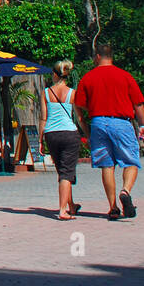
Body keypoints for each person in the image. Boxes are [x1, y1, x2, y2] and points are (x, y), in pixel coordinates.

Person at [72, 45, 144, 221]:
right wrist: (143, 125)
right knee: (130, 161)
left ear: (98, 56)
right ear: (111, 57)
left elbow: (80, 103)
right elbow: (138, 104)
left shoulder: (88, 77)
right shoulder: (125, 76)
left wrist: (95, 108)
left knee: (107, 165)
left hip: (98, 122)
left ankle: (113, 207)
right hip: (121, 122)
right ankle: (125, 191)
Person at [40, 61, 82, 220]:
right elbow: (79, 118)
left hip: (51, 134)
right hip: (69, 133)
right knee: (66, 173)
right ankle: (63, 210)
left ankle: (71, 205)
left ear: (55, 74)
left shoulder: (46, 92)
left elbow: (43, 118)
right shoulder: (73, 93)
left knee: (63, 171)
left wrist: (40, 140)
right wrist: (88, 134)